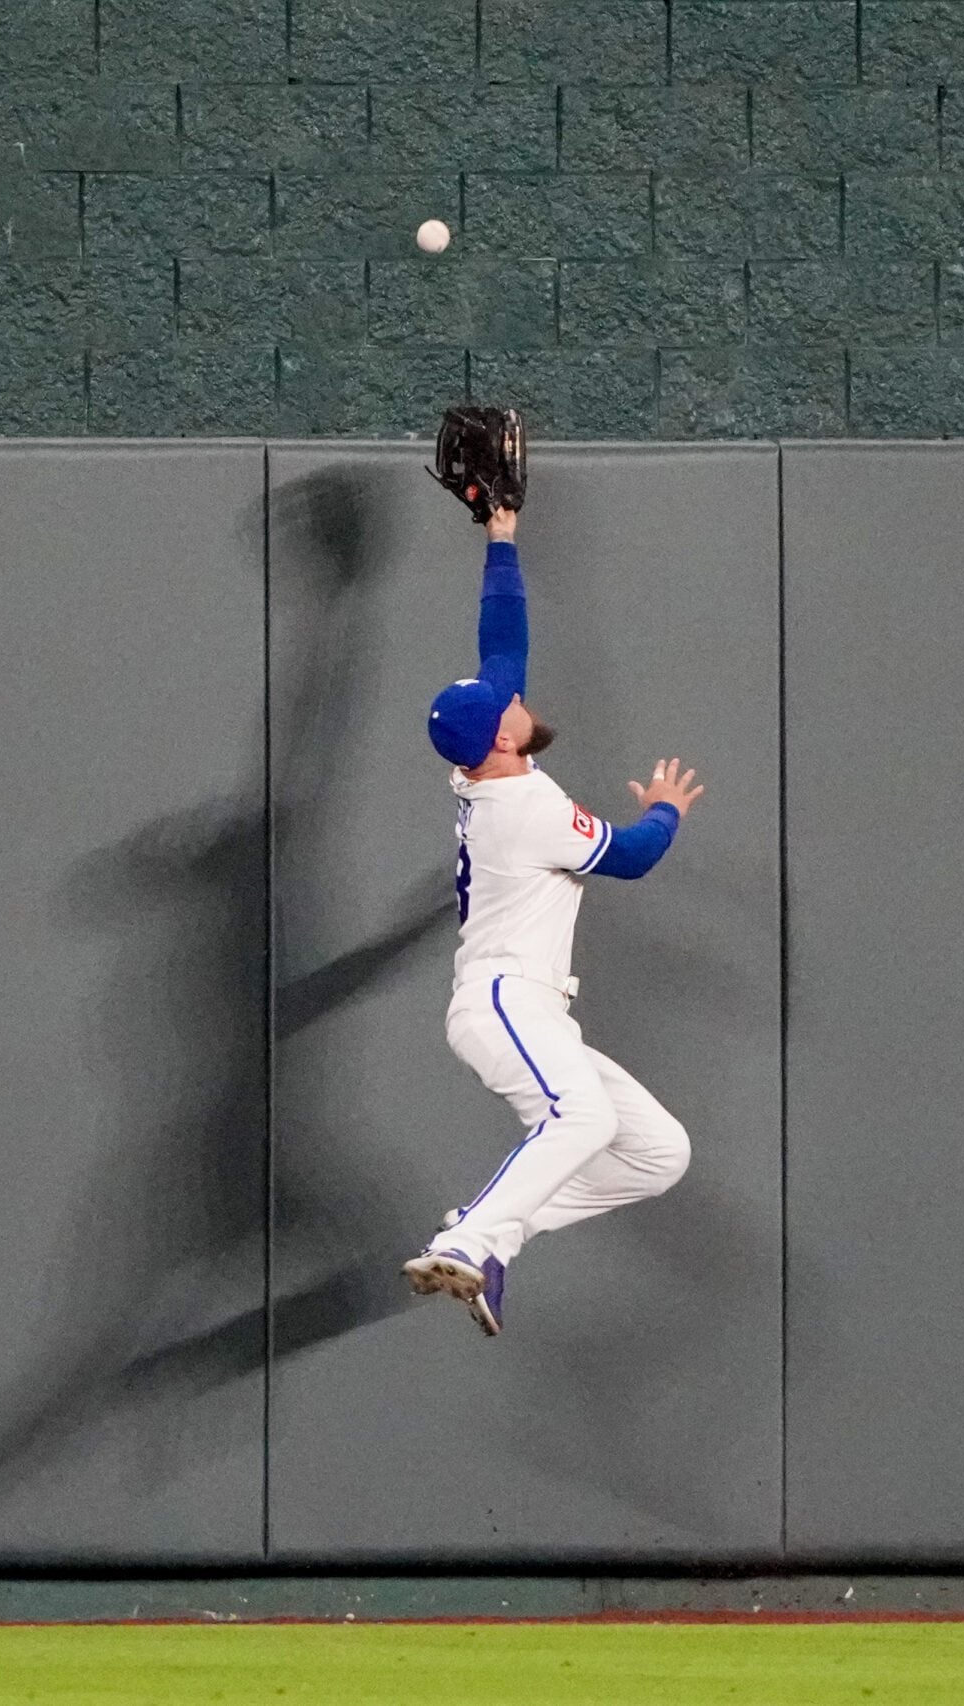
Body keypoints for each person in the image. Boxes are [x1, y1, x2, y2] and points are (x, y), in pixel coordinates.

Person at [402, 504, 705, 1336]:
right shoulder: (522, 804)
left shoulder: (489, 760)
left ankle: (493, 1239)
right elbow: (635, 857)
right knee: (583, 1119)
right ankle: (466, 1239)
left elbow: (504, 645)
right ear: (499, 741)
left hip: (530, 1007)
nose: (515, 693)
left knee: (657, 1153)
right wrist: (668, 812)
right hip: (502, 999)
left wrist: (500, 537)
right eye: (505, 703)